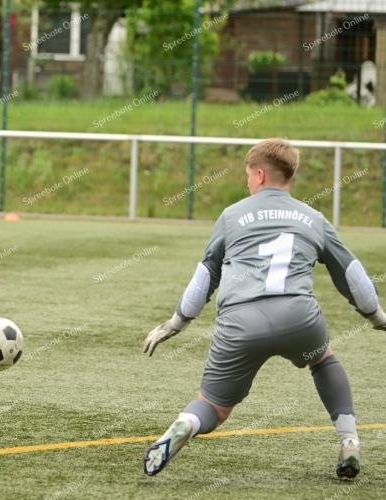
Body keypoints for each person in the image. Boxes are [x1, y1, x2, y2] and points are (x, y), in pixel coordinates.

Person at [141, 138, 385, 479]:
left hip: (239, 323)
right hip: (299, 318)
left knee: (213, 407)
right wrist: (376, 316)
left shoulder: (231, 215)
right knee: (322, 360)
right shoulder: (313, 217)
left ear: (259, 174)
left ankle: (186, 423)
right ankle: (349, 441)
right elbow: (351, 273)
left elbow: (206, 275)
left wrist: (175, 324)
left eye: (247, 176)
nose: (247, 183)